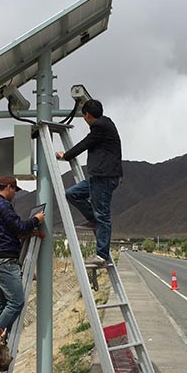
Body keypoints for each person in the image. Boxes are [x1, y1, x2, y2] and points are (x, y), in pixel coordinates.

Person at [56, 99, 122, 266]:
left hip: (104, 177)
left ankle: (102, 256)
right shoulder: (105, 123)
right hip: (97, 177)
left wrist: (66, 155)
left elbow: (85, 144)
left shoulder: (100, 127)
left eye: (84, 115)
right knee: (73, 194)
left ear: (87, 115)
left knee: (103, 215)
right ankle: (93, 220)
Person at [0, 175, 44, 332]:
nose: (14, 194)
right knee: (16, 302)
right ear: (9, 187)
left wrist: (30, 234)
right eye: (14, 190)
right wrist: (36, 220)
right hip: (6, 261)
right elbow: (20, 227)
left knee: (1, 303)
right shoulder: (4, 206)